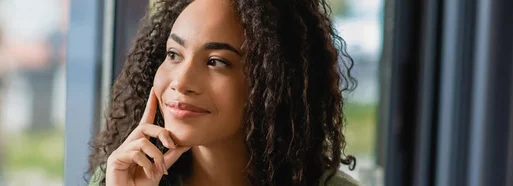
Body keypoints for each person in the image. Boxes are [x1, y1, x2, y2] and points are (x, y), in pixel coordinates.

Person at [87, 0, 359, 185]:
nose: (181, 82)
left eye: (216, 61)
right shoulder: (121, 175)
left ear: (273, 81)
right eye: (173, 54)